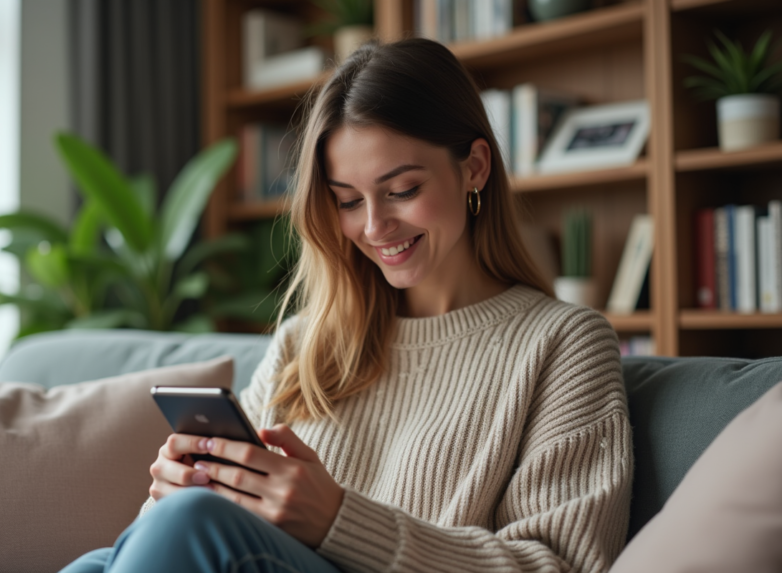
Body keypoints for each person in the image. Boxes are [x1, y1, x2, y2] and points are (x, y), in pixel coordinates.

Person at [62, 38, 632, 573]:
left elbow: (559, 564)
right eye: (347, 201)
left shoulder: (563, 343)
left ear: (475, 166)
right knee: (102, 560)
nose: (375, 226)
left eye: (403, 190)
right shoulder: (304, 341)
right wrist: (171, 496)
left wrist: (338, 520)